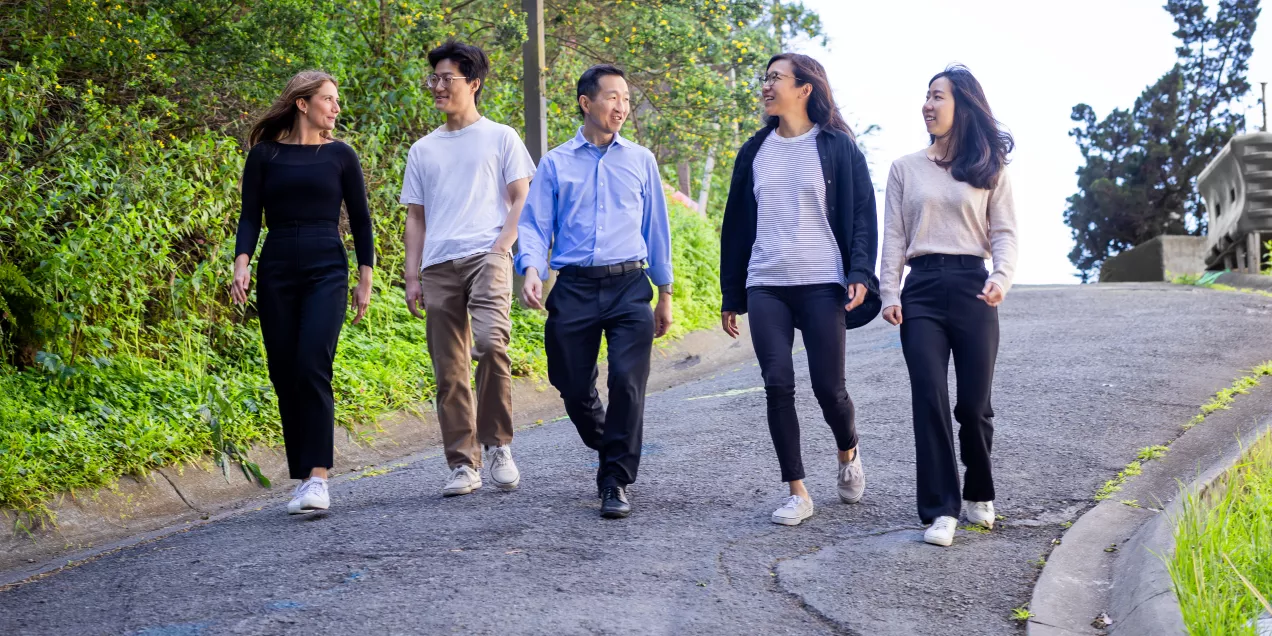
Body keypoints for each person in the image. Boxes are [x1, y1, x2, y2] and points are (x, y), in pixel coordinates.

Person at [719, 53, 879, 527]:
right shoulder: (755, 151)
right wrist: (732, 294)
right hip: (767, 283)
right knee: (777, 383)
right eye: (765, 79)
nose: (766, 86)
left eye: (775, 78)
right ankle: (797, 492)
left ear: (805, 88)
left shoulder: (837, 147)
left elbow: (863, 215)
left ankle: (848, 453)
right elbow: (736, 226)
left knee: (830, 389)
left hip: (821, 285)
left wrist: (861, 273)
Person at [517, 64, 674, 520]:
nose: (621, 106)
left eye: (625, 98)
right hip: (576, 287)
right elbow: (534, 224)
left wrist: (664, 292)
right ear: (587, 103)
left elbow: (656, 229)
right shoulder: (556, 163)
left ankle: (615, 480)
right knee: (569, 382)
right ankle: (613, 444)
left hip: (629, 286)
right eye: (612, 97)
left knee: (627, 380)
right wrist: (531, 268)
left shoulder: (641, 160)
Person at [880, 65, 1018, 547]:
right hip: (921, 292)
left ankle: (979, 490)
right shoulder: (904, 167)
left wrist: (1000, 279)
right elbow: (894, 235)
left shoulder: (988, 166)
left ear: (962, 105)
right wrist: (890, 291)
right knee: (929, 398)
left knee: (973, 406)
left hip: (973, 289)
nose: (928, 104)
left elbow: (1003, 232)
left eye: (938, 96)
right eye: (926, 96)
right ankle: (941, 509)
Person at [230, 70, 375, 515]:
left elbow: (362, 219)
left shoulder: (341, 156)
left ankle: (318, 479)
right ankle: (302, 477)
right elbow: (250, 216)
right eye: (329, 99)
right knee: (284, 370)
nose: (336, 107)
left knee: (313, 362)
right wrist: (242, 263)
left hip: (326, 266)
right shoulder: (265, 156)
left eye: (336, 100)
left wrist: (364, 275)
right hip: (276, 266)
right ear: (302, 104)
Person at [401, 41, 535, 497]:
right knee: (449, 369)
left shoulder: (501, 136)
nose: (437, 87)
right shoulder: (423, 149)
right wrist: (412, 274)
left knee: (491, 343)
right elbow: (415, 217)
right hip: (438, 263)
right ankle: (463, 463)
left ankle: (498, 444)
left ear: (473, 84)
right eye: (433, 79)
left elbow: (522, 196)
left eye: (447, 79)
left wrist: (502, 246)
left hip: (487, 255)